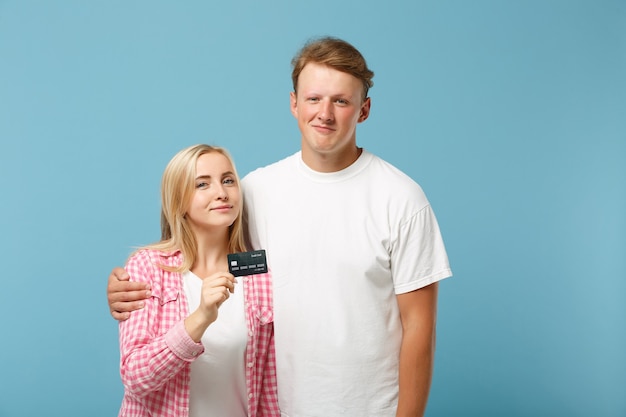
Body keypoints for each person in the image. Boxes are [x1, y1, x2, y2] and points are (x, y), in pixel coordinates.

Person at [109, 37, 452, 417]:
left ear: (364, 109)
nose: (325, 113)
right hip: (280, 407)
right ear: (293, 104)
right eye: (313, 98)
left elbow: (420, 327)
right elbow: (202, 254)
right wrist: (131, 287)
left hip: (373, 407)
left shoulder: (401, 198)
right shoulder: (254, 192)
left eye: (341, 100)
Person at [116, 144, 279, 417]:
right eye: (203, 184)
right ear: (178, 201)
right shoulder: (149, 267)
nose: (221, 193)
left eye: (228, 180)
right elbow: (136, 377)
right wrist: (200, 317)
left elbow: (271, 385)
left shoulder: (259, 271)